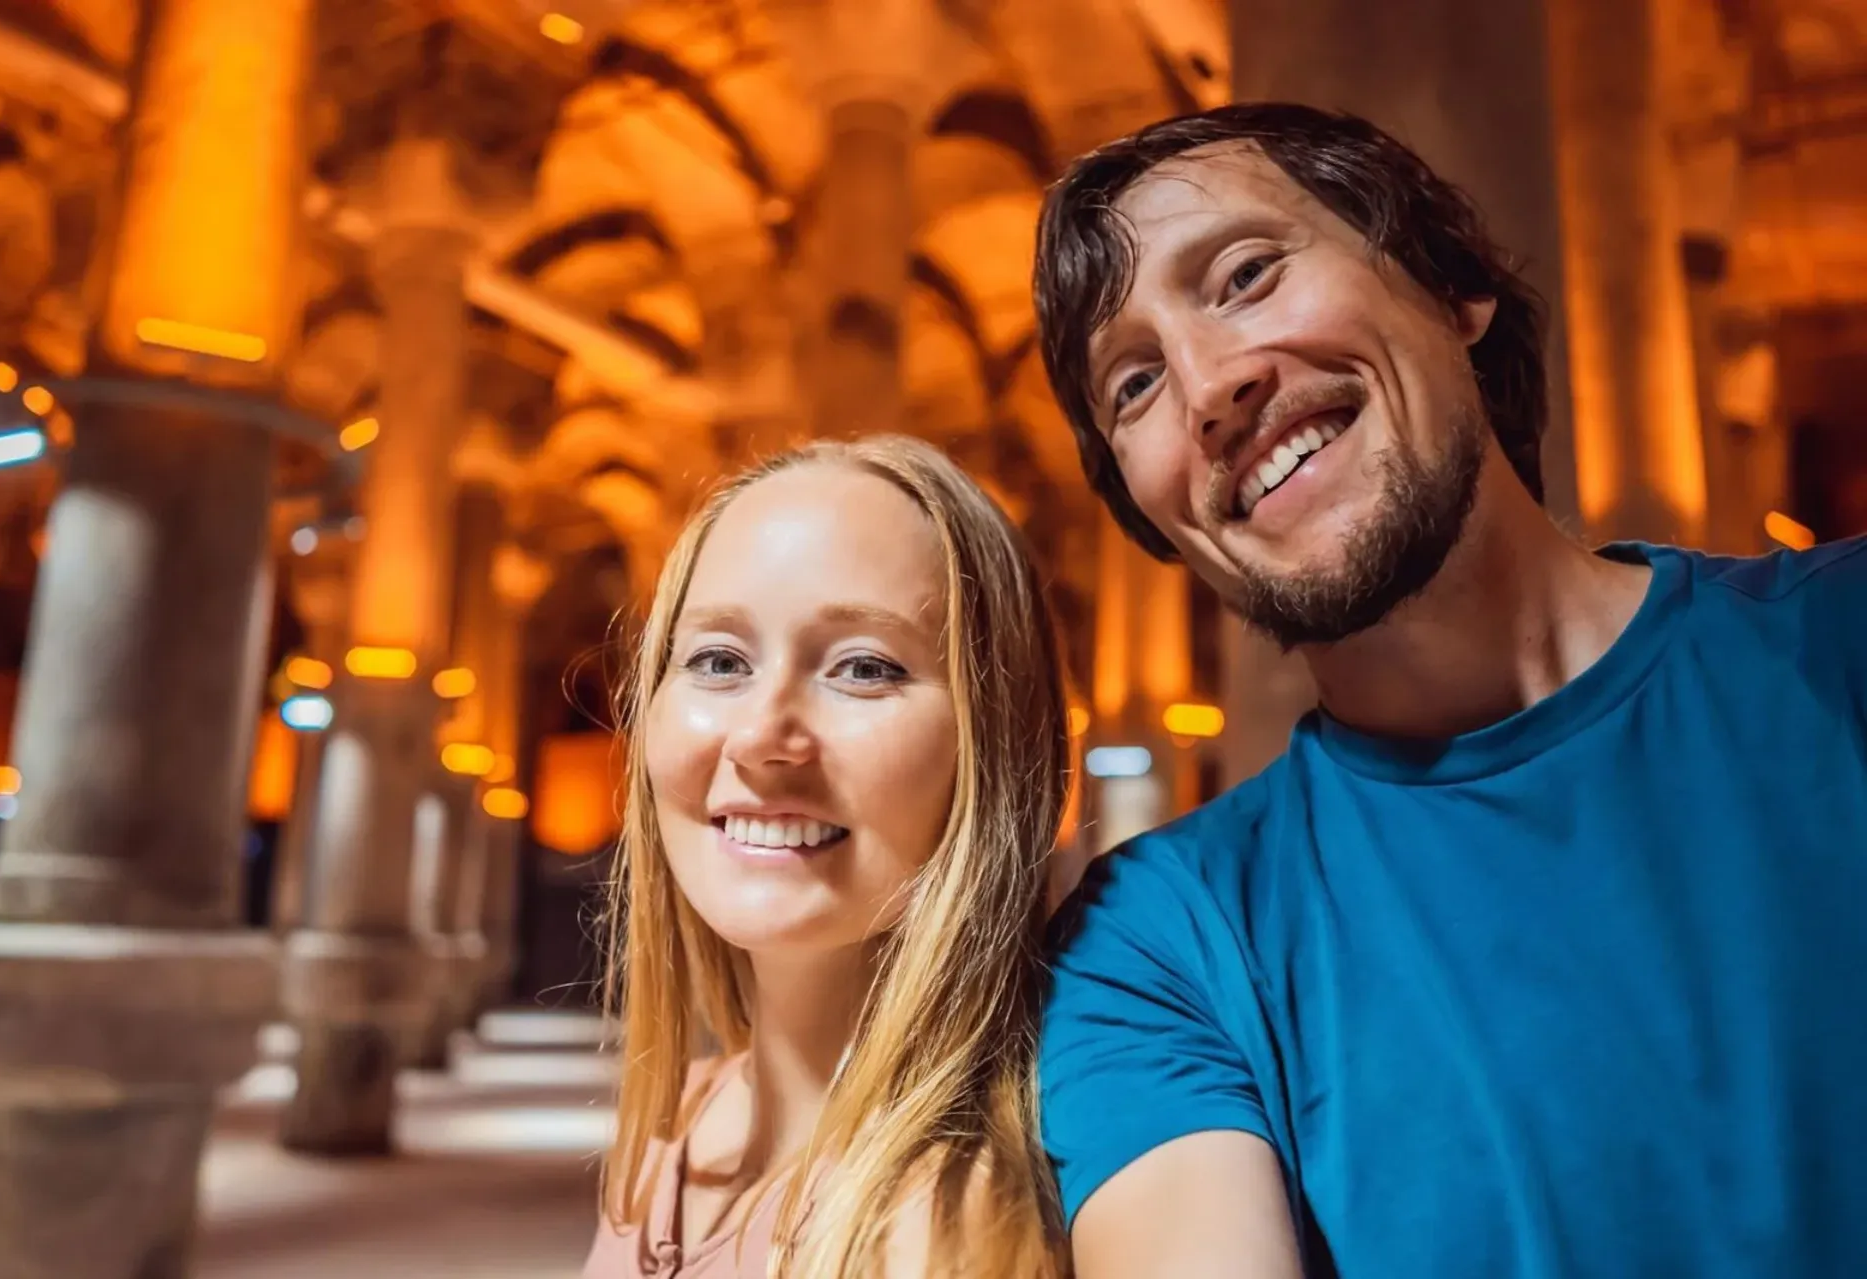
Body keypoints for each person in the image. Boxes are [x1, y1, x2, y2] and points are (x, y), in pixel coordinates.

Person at [1030, 102, 1867, 1278]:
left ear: (1451, 286)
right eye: (1131, 385)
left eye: (1247, 274)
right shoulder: (1160, 942)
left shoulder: (1839, 651)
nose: (1208, 386)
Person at [583, 436, 1072, 1279]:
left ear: (993, 747)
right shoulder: (688, 1120)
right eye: (719, 660)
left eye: (864, 667)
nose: (764, 735)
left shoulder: (964, 1219)